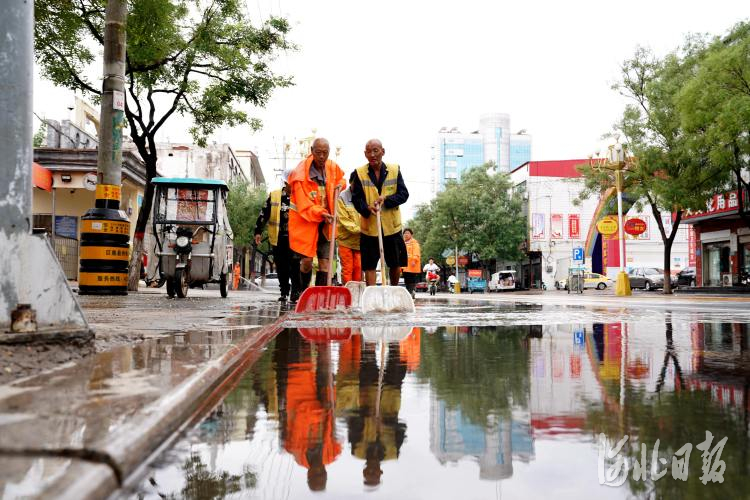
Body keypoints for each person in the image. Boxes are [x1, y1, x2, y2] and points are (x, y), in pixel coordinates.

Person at [288, 138, 346, 294]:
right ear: (312, 151)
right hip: (306, 222)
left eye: (325, 153)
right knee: (306, 261)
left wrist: (341, 185)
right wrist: (321, 213)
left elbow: (341, 179)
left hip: (326, 223)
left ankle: (320, 297)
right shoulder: (300, 175)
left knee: (325, 263)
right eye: (318, 152)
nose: (322, 156)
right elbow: (304, 204)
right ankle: (302, 291)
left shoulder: (332, 167)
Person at [350, 139, 409, 287]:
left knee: (395, 262)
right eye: (369, 151)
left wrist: (387, 199)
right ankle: (371, 293)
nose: (372, 154)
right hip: (370, 228)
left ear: (383, 151)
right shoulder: (359, 173)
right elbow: (356, 199)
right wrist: (366, 208)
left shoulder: (394, 170)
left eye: (376, 150)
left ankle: (394, 290)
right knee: (369, 264)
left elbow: (404, 194)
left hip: (391, 227)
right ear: (365, 154)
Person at [253, 168, 300, 302]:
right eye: (292, 181)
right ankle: (284, 292)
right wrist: (258, 231)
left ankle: (295, 292)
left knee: (295, 265)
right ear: (286, 182)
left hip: (296, 238)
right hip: (278, 238)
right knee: (282, 266)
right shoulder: (274, 196)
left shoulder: (300, 196)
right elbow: (264, 214)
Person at [337, 172, 363, 284]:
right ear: (350, 182)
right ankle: (348, 293)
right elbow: (344, 219)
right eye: (355, 183)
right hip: (345, 240)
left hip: (360, 242)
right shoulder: (342, 197)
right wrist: (360, 230)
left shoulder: (366, 194)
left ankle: (356, 293)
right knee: (348, 269)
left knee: (358, 268)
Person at [401, 228, 421, 299]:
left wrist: (414, 260)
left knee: (411, 278)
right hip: (404, 265)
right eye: (405, 233)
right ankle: (410, 291)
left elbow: (416, 253)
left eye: (407, 233)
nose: (406, 234)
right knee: (406, 278)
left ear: (411, 235)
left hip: (412, 264)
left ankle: (410, 291)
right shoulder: (403, 243)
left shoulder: (414, 243)